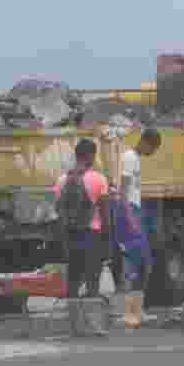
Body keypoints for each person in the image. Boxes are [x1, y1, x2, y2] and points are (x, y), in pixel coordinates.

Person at [54, 138, 111, 336]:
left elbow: (59, 211)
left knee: (73, 281)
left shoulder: (62, 180)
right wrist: (107, 240)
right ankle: (94, 326)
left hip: (70, 236)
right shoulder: (98, 179)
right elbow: (105, 214)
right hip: (91, 235)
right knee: (92, 279)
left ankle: (75, 327)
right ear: (90, 156)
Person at [117, 127, 162, 328]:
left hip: (135, 211)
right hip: (130, 213)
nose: (153, 153)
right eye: (154, 148)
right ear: (146, 142)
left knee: (144, 263)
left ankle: (138, 311)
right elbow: (123, 190)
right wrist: (130, 218)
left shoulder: (135, 158)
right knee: (135, 264)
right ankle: (129, 313)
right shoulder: (128, 157)